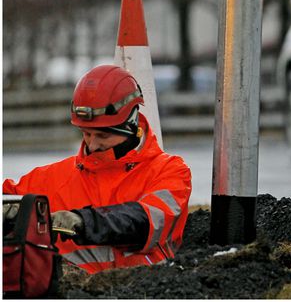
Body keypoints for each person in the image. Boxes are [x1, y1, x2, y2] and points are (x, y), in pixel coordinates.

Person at [3, 65, 192, 274]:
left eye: (102, 136)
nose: (92, 145)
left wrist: (83, 222)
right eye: (86, 134)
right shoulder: (52, 178)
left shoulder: (170, 171)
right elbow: (8, 197)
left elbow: (146, 222)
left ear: (131, 125)